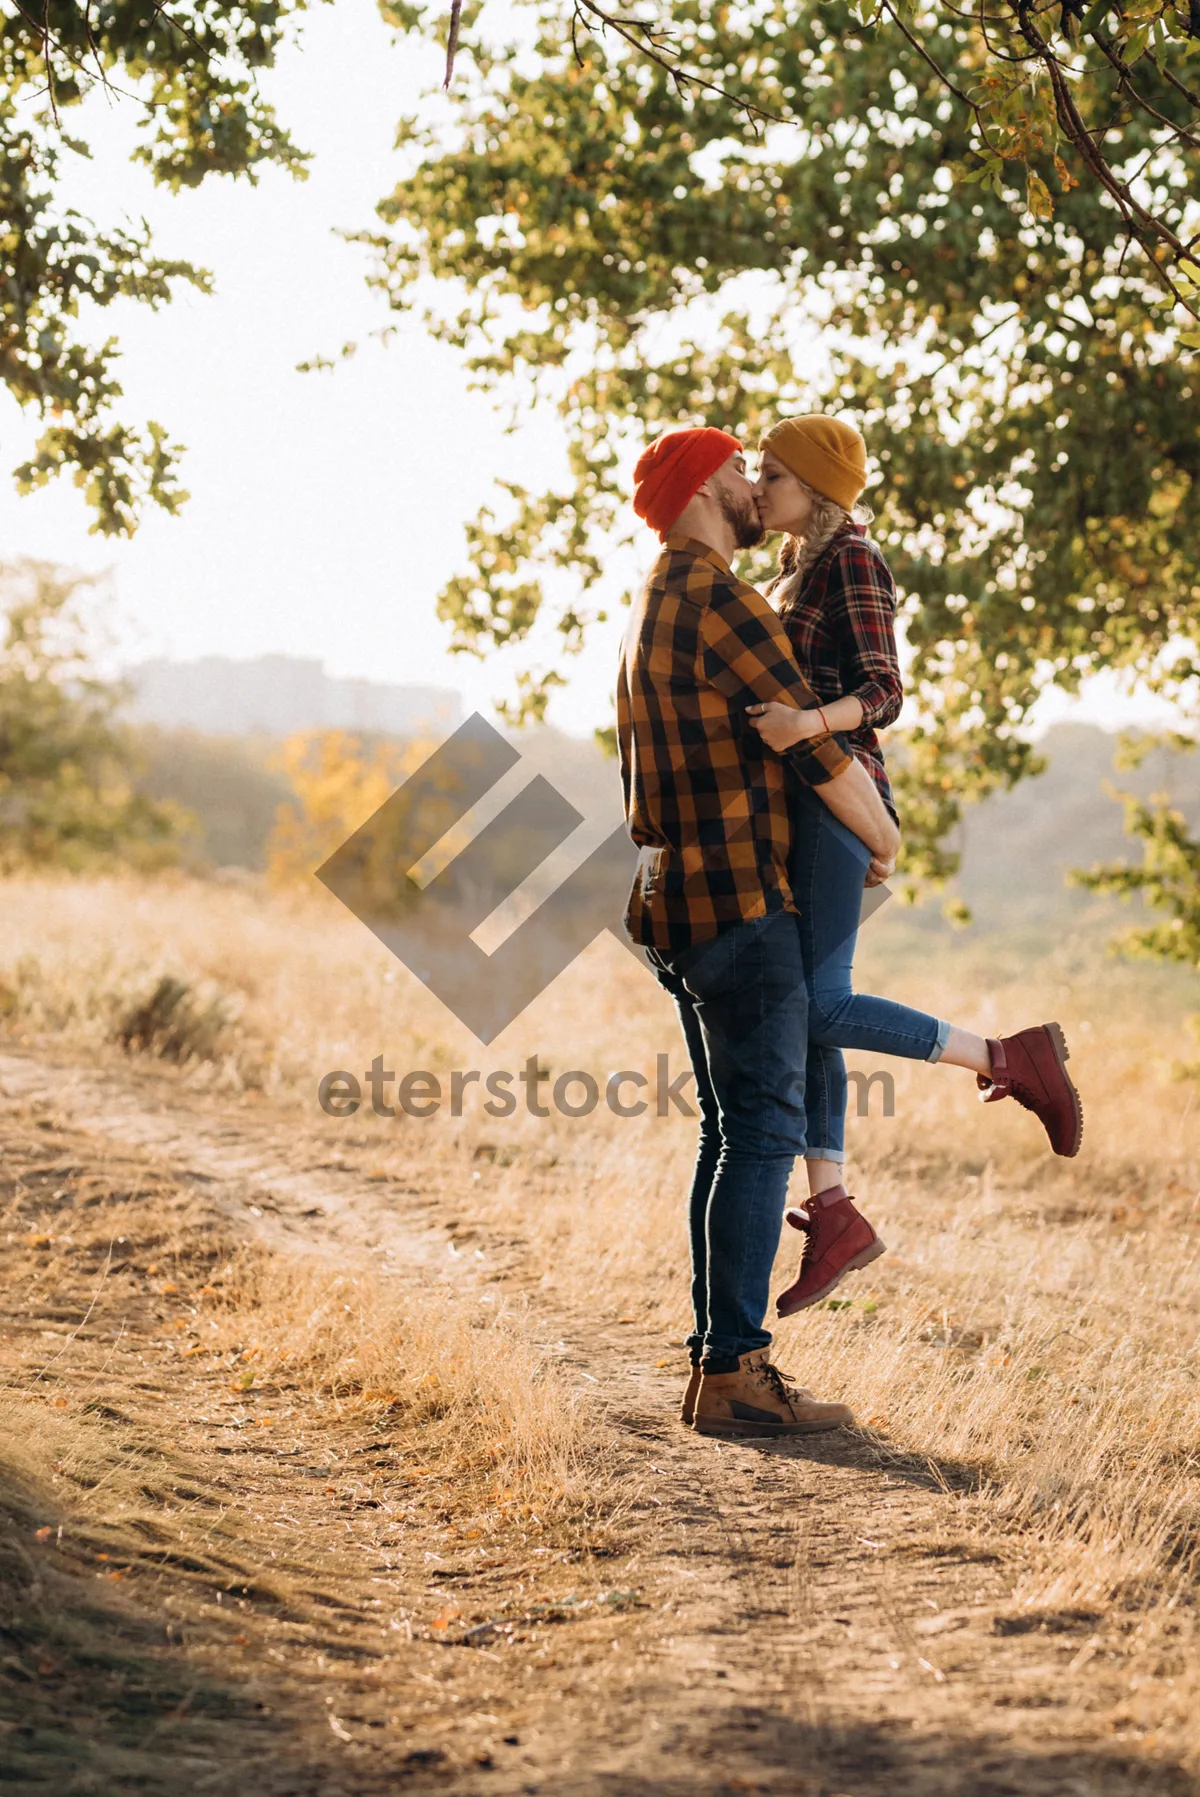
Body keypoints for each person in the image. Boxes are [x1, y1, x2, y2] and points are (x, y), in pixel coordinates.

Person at [746, 415, 1083, 1319]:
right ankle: (833, 1208)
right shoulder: (798, 565)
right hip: (808, 808)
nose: (758, 482)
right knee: (813, 1017)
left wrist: (803, 726)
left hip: (837, 800)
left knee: (816, 1004)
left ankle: (1008, 1055)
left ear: (815, 488)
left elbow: (885, 690)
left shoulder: (854, 558)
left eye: (772, 472)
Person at [617, 425, 900, 1439]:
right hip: (739, 903)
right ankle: (734, 1368)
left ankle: (718, 1366)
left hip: (672, 905)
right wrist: (881, 839)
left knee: (730, 1134)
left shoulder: (653, 602)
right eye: (738, 470)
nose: (751, 483)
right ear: (702, 491)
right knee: (764, 1135)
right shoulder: (725, 602)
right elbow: (822, 759)